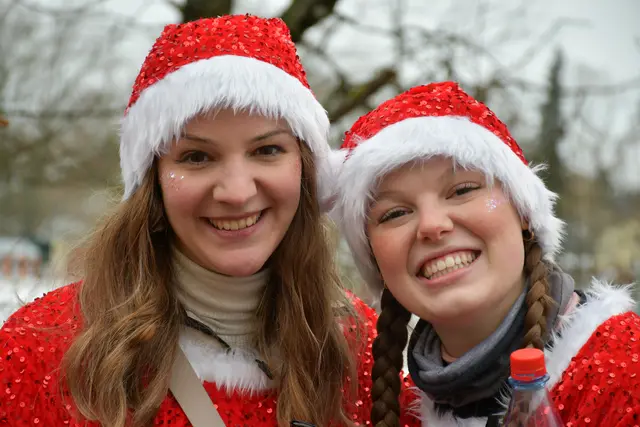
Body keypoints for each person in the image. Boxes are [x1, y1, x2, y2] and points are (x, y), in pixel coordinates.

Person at [0, 15, 381, 427]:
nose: (236, 192)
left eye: (267, 150)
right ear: (153, 183)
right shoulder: (43, 348)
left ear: (306, 170)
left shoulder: (361, 351)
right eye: (197, 157)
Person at [330, 81, 640, 427]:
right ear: (374, 259)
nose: (432, 225)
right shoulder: (394, 410)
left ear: (524, 212)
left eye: (462, 190)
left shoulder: (625, 370)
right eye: (395, 213)